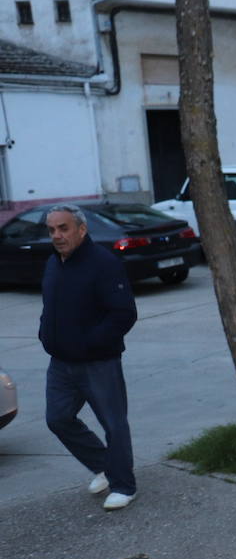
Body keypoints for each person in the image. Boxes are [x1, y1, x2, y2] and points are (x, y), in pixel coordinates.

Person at [39, 204, 139, 510]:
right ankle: (104, 465)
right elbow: (49, 306)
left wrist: (89, 343)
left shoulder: (103, 264)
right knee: (57, 418)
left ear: (82, 229)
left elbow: (124, 314)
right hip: (61, 362)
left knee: (114, 423)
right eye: (52, 229)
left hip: (99, 362)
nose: (57, 235)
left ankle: (124, 485)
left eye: (63, 228)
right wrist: (45, 332)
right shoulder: (55, 263)